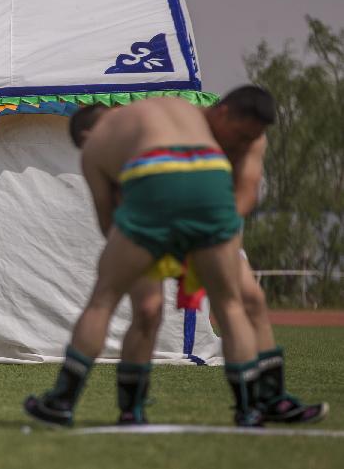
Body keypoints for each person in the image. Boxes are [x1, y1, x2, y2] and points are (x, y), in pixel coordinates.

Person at [24, 96, 262, 428]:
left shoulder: (96, 146)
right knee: (230, 305)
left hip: (154, 180)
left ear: (89, 132)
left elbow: (109, 222)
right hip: (211, 173)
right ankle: (249, 409)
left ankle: (64, 402)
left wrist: (137, 260)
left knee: (103, 300)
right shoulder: (177, 106)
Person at [120, 86, 328, 424]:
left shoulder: (252, 139)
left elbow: (245, 192)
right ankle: (129, 408)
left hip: (216, 226)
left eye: (254, 137)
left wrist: (212, 237)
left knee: (252, 301)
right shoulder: (181, 127)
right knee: (147, 310)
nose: (246, 142)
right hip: (159, 225)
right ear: (223, 113)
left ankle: (269, 399)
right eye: (242, 134)